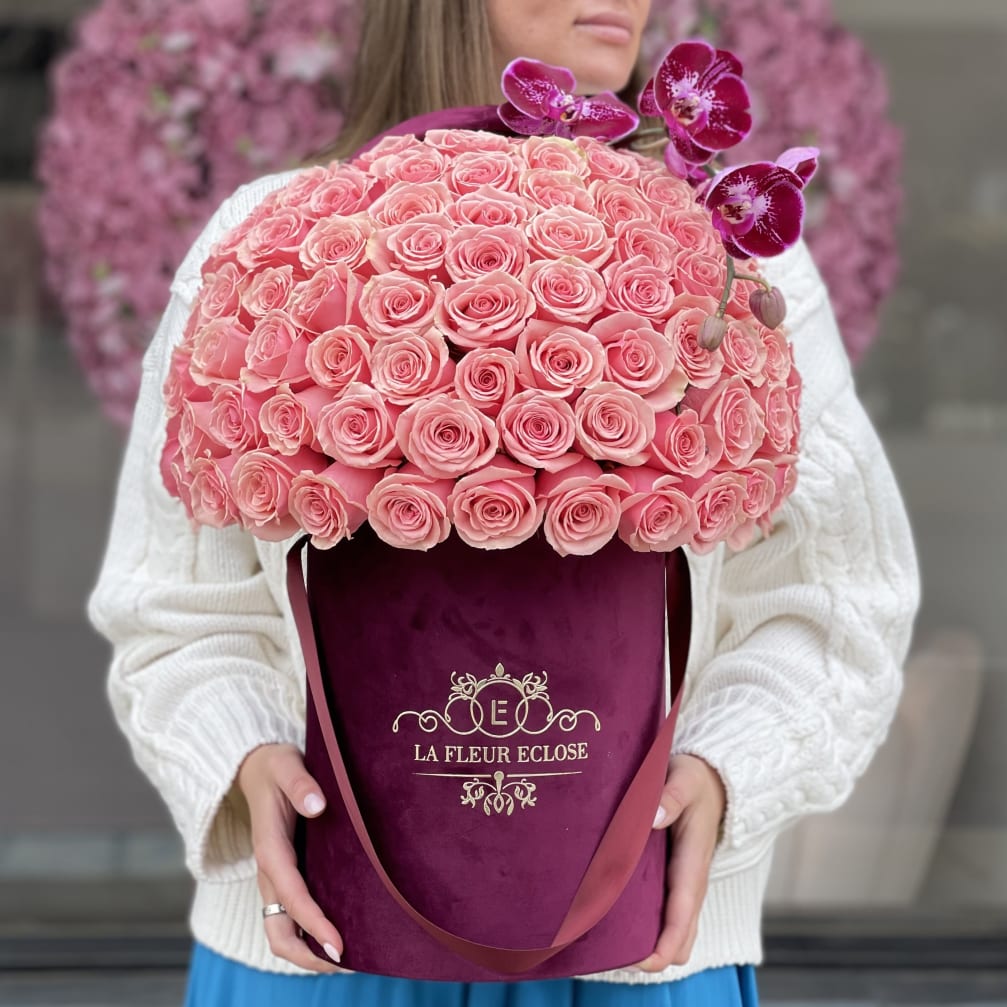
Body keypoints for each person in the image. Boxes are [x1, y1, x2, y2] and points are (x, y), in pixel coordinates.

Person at [87, 1, 921, 1004]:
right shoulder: (273, 237)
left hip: (635, 950)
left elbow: (836, 595)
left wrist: (725, 771)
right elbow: (175, 603)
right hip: (318, 948)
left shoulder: (726, 258)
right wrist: (243, 759)